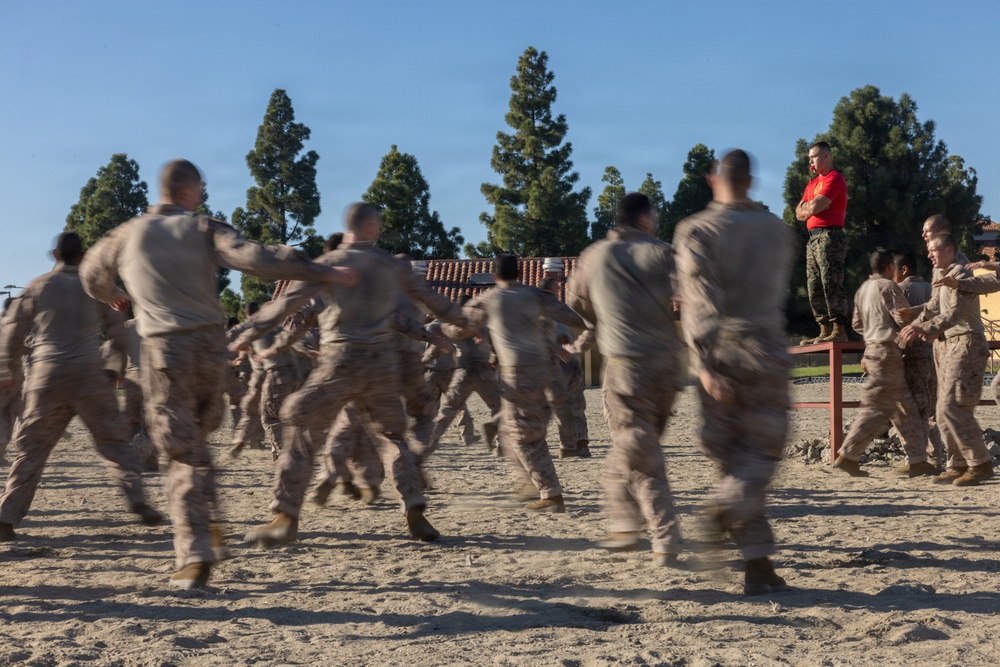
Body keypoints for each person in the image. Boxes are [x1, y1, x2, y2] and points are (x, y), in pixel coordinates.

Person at [79, 159, 353, 589]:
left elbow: (90, 275)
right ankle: (210, 524)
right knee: (197, 441)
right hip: (209, 349)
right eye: (201, 190)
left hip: (165, 350)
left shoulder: (127, 234)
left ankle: (195, 554)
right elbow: (255, 257)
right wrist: (319, 269)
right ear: (189, 191)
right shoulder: (204, 227)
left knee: (181, 453)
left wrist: (115, 293)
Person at [232, 202, 472, 547]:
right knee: (392, 439)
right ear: (374, 228)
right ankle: (413, 505)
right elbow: (430, 299)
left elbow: (286, 306)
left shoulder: (329, 264)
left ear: (347, 227)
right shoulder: (391, 265)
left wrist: (246, 336)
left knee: (299, 425)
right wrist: (462, 322)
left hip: (339, 360)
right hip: (381, 365)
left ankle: (285, 515)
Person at [674, 149, 796, 595]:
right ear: (750, 181)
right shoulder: (778, 231)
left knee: (734, 460)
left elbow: (700, 301)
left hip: (722, 351)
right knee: (759, 455)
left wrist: (703, 364)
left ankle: (755, 557)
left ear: (713, 180)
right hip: (765, 348)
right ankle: (742, 537)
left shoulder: (696, 230)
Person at [0, 232, 163, 541]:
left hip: (46, 377)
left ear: (55, 255)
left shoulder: (38, 286)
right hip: (88, 375)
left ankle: (6, 517)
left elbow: (13, 330)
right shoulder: (94, 286)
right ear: (84, 256)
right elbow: (118, 332)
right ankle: (137, 498)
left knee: (32, 450)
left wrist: (8, 369)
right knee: (114, 443)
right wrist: (113, 368)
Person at [567, 192, 685, 566]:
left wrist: (602, 319)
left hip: (626, 367)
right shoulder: (664, 253)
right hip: (667, 367)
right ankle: (623, 525)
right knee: (636, 447)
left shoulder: (594, 256)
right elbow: (691, 294)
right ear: (644, 219)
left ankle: (665, 538)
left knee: (637, 450)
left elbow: (576, 304)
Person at [462, 254, 584, 513]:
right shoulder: (535, 295)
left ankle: (551, 494)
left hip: (518, 373)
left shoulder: (489, 298)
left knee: (522, 436)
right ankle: (531, 483)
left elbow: (458, 322)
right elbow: (572, 317)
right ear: (518, 273)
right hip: (543, 369)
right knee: (512, 432)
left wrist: (466, 330)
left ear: (494, 276)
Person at [899, 232, 995, 486]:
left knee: (954, 406)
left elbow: (955, 313)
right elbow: (933, 307)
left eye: (934, 249)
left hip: (967, 344)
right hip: (948, 344)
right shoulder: (942, 276)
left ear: (950, 249)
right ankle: (958, 464)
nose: (929, 253)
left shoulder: (960, 274)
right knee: (942, 410)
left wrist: (923, 328)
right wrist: (915, 319)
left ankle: (980, 463)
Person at [831, 250, 932, 478]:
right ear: (889, 266)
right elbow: (902, 317)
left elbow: (856, 324)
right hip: (888, 353)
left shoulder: (863, 289)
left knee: (903, 408)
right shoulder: (887, 286)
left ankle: (917, 460)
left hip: (872, 349)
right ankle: (848, 454)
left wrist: (874, 330)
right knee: (878, 408)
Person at [426, 294, 502, 455]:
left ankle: (430, 439)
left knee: (448, 408)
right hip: (483, 370)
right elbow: (496, 345)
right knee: (499, 406)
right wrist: (495, 361)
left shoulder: (452, 325)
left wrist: (424, 359)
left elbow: (438, 348)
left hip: (463, 371)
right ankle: (500, 442)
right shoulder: (484, 323)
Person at [892, 253, 944, 470]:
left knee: (914, 407)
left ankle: (918, 459)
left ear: (904, 269)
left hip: (915, 354)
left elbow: (897, 323)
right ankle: (936, 457)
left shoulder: (901, 290)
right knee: (932, 408)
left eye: (892, 270)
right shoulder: (932, 289)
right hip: (936, 354)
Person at [796, 141, 848, 344]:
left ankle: (838, 329)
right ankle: (824, 329)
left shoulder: (834, 178)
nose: (810, 161)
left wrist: (811, 207)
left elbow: (814, 207)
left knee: (830, 282)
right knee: (814, 286)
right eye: (809, 157)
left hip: (830, 236)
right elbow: (799, 212)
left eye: (814, 157)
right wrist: (811, 207)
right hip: (813, 238)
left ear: (826, 156)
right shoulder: (812, 184)